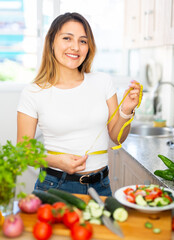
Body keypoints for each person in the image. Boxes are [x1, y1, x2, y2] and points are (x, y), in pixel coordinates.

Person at [17, 12, 141, 196]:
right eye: (67, 38)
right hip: (54, 186)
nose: (75, 47)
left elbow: (117, 137)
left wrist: (126, 110)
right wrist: (58, 161)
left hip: (101, 186)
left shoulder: (103, 81)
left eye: (83, 41)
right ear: (52, 42)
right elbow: (23, 151)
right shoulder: (33, 92)